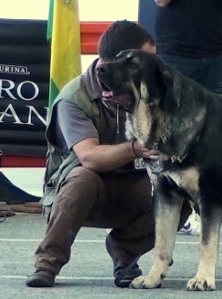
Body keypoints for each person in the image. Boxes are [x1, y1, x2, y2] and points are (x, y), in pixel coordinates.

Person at [26, 20, 191, 288]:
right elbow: (89, 156)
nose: (153, 66)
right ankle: (47, 262)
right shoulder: (74, 97)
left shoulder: (147, 92)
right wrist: (137, 148)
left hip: (131, 186)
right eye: (146, 60)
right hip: (79, 192)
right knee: (84, 177)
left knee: (178, 194)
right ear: (121, 62)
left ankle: (125, 253)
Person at [154, 0, 222, 235]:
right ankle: (170, 209)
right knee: (170, 133)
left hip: (214, 52)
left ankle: (201, 211)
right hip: (175, 53)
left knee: (214, 137)